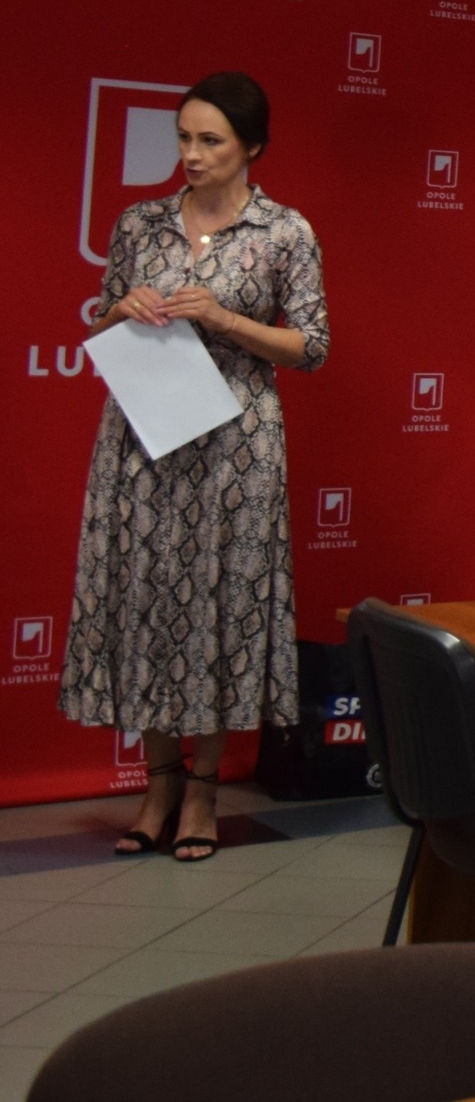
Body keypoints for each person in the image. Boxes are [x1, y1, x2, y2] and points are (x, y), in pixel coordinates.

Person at [62, 72, 330, 861]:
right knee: (146, 596)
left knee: (220, 600)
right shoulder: (140, 221)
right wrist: (122, 309)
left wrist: (223, 317)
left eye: (211, 140)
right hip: (145, 434)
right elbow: (102, 318)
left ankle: (204, 790)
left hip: (235, 444)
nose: (192, 153)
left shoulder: (284, 231)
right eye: (184, 137)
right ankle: (158, 785)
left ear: (252, 147)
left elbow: (311, 345)